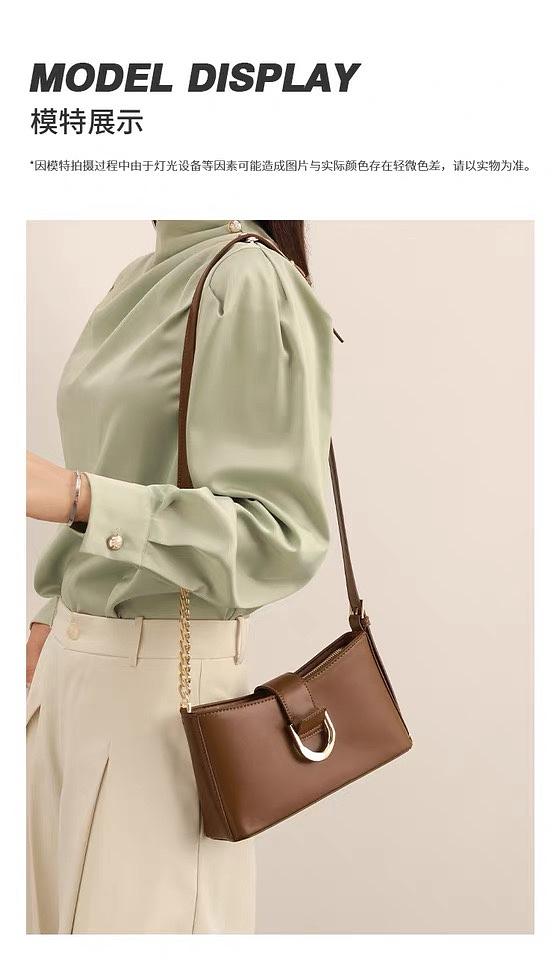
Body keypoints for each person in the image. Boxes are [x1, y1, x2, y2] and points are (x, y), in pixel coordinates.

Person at [25, 219, 333, 934]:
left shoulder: (247, 279)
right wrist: (52, 611)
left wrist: (78, 496)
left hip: (161, 696)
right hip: (65, 678)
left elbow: (280, 536)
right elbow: (123, 464)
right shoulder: (137, 277)